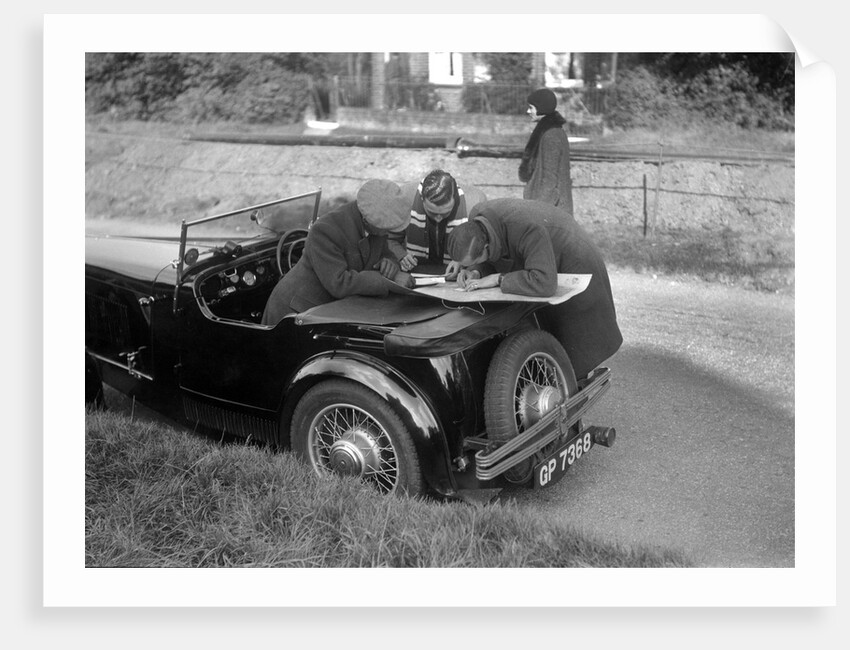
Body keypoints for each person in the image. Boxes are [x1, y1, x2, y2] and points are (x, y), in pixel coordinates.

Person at [446, 198, 621, 379]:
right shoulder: (478, 221)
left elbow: (545, 282)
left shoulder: (525, 228)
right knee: (538, 323)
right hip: (540, 252)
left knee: (571, 343)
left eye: (473, 262)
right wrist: (475, 272)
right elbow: (494, 256)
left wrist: (499, 279)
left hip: (571, 255)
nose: (468, 266)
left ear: (485, 248)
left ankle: (571, 391)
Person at [261, 179, 414, 325]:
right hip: (295, 311)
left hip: (330, 309)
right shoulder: (326, 230)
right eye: (387, 228)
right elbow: (340, 283)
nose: (388, 232)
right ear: (368, 220)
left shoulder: (375, 224)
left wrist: (390, 264)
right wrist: (387, 281)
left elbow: (385, 253)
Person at [387, 169, 487, 277]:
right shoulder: (406, 197)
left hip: (456, 275)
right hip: (415, 272)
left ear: (455, 199)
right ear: (422, 198)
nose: (438, 219)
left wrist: (463, 260)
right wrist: (401, 255)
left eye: (445, 213)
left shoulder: (474, 203)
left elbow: (484, 252)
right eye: (432, 213)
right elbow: (390, 239)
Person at [519, 87, 574, 216]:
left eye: (531, 107)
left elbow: (550, 180)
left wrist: (537, 212)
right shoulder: (547, 133)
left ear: (541, 108)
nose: (528, 111)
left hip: (551, 211)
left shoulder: (551, 136)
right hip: (548, 208)